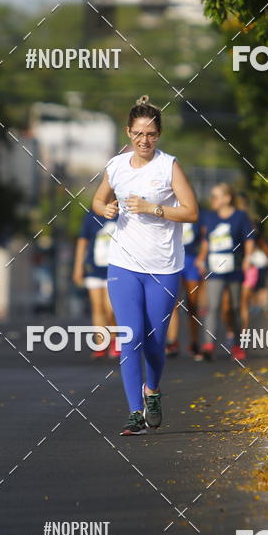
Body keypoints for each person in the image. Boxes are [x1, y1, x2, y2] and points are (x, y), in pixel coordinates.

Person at [92, 95, 199, 436]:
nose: (144, 140)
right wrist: (104, 210)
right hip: (123, 264)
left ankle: (152, 390)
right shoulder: (116, 165)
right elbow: (98, 198)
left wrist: (154, 208)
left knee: (154, 340)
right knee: (131, 337)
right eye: (138, 133)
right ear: (128, 133)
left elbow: (191, 211)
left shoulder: (169, 166)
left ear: (159, 134)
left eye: (151, 134)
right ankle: (135, 413)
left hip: (164, 267)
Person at [196, 183, 255, 361]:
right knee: (213, 306)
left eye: (215, 196)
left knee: (235, 307)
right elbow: (207, 241)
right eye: (212, 197)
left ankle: (237, 345)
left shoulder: (240, 217)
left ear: (227, 198)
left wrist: (248, 258)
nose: (212, 200)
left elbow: (249, 239)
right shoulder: (210, 218)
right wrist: (201, 258)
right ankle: (208, 345)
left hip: (235, 267)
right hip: (214, 267)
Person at [73, 211, 118, 359]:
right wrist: (78, 267)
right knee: (97, 307)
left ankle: (114, 339)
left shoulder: (122, 214)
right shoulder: (92, 216)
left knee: (110, 308)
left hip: (115, 268)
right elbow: (83, 241)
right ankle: (101, 344)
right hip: (94, 268)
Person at [165, 212, 205, 358]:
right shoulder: (168, 210)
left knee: (192, 305)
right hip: (173, 261)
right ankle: (172, 341)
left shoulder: (195, 213)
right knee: (172, 303)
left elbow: (205, 238)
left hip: (191, 262)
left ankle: (194, 343)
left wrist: (202, 257)